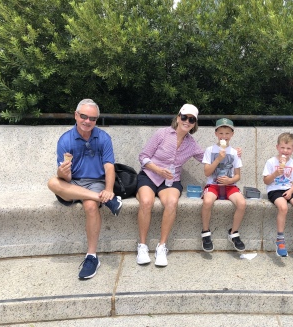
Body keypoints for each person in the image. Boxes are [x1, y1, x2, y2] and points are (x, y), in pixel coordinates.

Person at [47, 99, 122, 280]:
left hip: (95, 181)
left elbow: (109, 167)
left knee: (90, 206)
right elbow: (66, 178)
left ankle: (92, 256)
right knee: (52, 182)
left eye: (93, 118)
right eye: (84, 116)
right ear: (76, 115)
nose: (88, 121)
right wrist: (61, 172)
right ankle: (102, 198)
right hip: (73, 183)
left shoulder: (103, 137)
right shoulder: (65, 140)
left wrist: (109, 189)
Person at [136, 104, 204, 267]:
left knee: (172, 203)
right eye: (184, 117)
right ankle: (142, 246)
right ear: (178, 117)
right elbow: (143, 157)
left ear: (194, 123)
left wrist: (228, 153)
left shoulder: (192, 144)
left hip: (171, 181)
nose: (187, 121)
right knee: (146, 202)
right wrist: (158, 170)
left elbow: (208, 159)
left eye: (191, 119)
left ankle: (161, 247)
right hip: (150, 176)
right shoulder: (162, 133)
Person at [200, 118, 246, 253]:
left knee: (242, 203)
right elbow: (207, 172)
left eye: (227, 133)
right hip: (213, 184)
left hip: (230, 185)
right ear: (216, 134)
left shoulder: (235, 152)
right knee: (207, 201)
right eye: (221, 133)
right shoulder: (210, 150)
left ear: (232, 134)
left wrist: (230, 181)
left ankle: (234, 232)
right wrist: (219, 159)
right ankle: (205, 232)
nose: (224, 136)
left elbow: (238, 175)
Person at [263, 132, 293, 257]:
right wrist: (275, 174)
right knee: (283, 207)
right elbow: (266, 181)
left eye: (288, 148)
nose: (285, 151)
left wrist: (291, 191)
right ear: (277, 147)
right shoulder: (271, 162)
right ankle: (280, 239)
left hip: (289, 189)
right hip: (274, 189)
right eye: (282, 148)